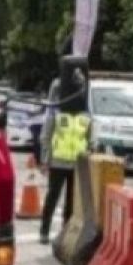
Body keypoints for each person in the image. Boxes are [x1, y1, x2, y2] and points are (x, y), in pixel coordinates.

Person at [39, 57, 90, 245]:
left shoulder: (85, 114)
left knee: (72, 201)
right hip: (58, 161)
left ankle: (65, 232)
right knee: (52, 196)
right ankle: (44, 230)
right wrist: (45, 159)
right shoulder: (57, 113)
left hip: (77, 163)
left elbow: (90, 138)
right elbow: (46, 135)